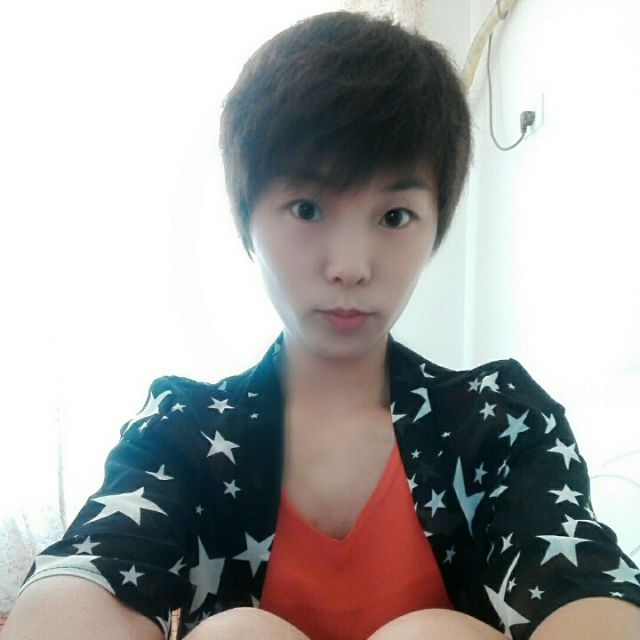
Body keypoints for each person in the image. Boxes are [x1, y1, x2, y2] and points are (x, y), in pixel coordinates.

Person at [4, 10, 640, 640]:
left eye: (394, 216)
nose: (350, 266)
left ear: (436, 226)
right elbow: (91, 568)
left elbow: (582, 583)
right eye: (306, 209)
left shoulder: (499, 420)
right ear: (247, 220)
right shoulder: (187, 430)